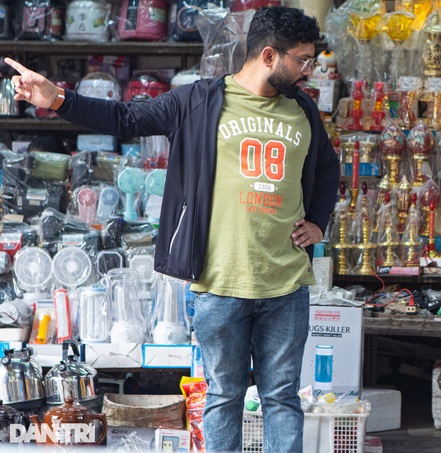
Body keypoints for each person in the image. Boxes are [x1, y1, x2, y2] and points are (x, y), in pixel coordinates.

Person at [6, 6, 339, 452]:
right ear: (268, 55)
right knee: (224, 395)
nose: (309, 71)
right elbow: (126, 118)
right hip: (219, 283)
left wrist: (318, 221)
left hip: (286, 284)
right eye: (302, 60)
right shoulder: (198, 101)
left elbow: (326, 167)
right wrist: (59, 99)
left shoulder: (304, 110)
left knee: (282, 397)